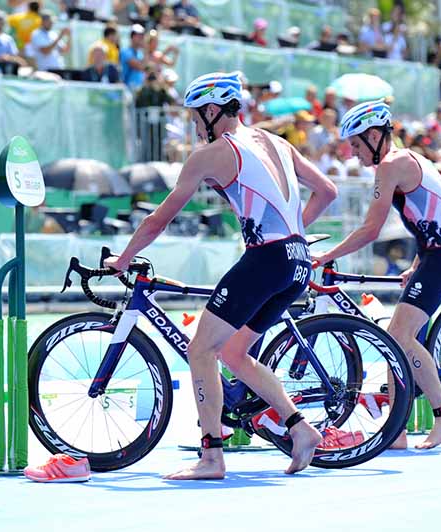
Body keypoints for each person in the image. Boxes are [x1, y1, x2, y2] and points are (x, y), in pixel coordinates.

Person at [103, 72, 337, 479]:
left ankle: (211, 456)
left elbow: (159, 219)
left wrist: (123, 259)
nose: (194, 126)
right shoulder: (277, 142)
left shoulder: (214, 153)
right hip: (296, 259)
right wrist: (291, 234)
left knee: (201, 351)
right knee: (233, 354)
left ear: (212, 111)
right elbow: (328, 191)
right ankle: (300, 428)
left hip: (267, 259)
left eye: (196, 117)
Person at [312, 100, 441, 450]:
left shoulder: (391, 166)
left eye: (355, 144)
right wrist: (418, 262)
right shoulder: (407, 159)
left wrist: (327, 255)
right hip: (438, 256)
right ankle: (395, 432)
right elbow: (433, 214)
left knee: (399, 337)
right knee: (395, 340)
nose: (353, 154)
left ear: (372, 136)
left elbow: (370, 229)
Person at [120, 24, 147, 90]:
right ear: (132, 37)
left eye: (142, 36)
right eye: (139, 36)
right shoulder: (125, 51)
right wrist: (146, 49)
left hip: (138, 89)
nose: (141, 38)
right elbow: (140, 67)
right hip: (127, 89)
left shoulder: (141, 53)